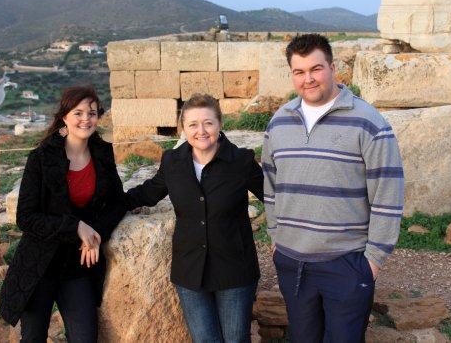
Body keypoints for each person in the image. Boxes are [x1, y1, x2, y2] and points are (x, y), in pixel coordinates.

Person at [261, 34, 404, 342]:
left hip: (346, 262)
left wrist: (374, 259)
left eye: (316, 69)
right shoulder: (279, 122)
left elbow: (387, 193)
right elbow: (270, 186)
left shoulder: (368, 122)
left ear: (332, 68)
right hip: (292, 261)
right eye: (299, 72)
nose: (308, 79)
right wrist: (275, 238)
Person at [126, 93, 263, 343]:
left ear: (219, 124)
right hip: (190, 271)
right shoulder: (172, 162)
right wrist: (107, 206)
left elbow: (275, 197)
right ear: (183, 128)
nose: (201, 131)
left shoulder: (241, 161)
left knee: (236, 340)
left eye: (208, 123)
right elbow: (148, 193)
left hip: (234, 269)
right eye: (193, 124)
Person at [0, 85, 127, 342]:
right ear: (64, 117)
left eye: (92, 113)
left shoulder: (102, 153)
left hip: (76, 266)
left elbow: (117, 202)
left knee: (85, 338)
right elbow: (25, 217)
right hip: (40, 264)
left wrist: (95, 234)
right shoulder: (41, 158)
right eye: (78, 113)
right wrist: (76, 226)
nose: (86, 119)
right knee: (33, 338)